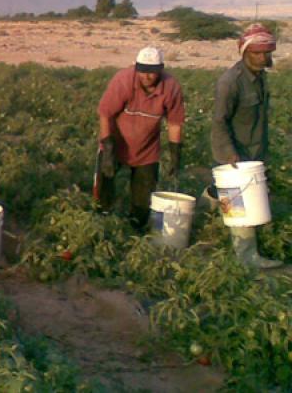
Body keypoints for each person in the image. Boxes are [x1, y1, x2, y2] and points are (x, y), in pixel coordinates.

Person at [207, 23, 281, 268]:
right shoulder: (231, 82)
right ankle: (246, 258)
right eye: (256, 53)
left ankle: (199, 215)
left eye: (266, 53)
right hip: (235, 154)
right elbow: (219, 122)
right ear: (244, 53)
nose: (262, 58)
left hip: (255, 151)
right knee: (241, 206)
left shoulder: (260, 79)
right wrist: (231, 155)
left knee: (226, 196)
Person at [95, 47, 185, 231]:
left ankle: (135, 229)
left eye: (152, 72)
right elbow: (105, 114)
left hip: (147, 149)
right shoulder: (124, 81)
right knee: (104, 187)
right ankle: (101, 221)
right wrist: (108, 148)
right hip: (116, 142)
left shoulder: (170, 87)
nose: (147, 76)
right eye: (142, 70)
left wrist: (175, 154)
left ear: (161, 69)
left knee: (143, 197)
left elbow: (175, 123)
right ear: (136, 67)